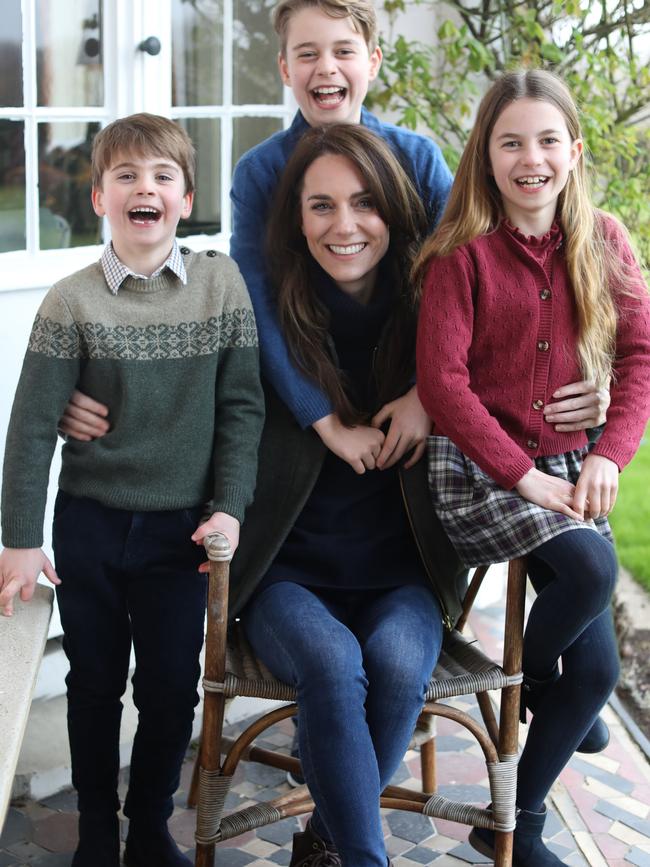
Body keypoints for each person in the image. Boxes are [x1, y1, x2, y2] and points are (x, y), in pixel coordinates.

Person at [58, 0, 608, 455]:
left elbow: (477, 280)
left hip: (408, 390)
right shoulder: (261, 172)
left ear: (372, 62)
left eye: (343, 51)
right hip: (304, 394)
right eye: (307, 54)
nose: (325, 67)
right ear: (284, 69)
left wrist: (427, 395)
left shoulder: (417, 158)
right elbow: (254, 306)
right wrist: (322, 418)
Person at [0, 113, 264, 867]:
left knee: (171, 688)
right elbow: (30, 427)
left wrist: (230, 504)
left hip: (182, 531)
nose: (143, 187)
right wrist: (20, 539)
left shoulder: (220, 285)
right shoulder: (69, 302)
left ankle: (149, 826)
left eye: (161, 177)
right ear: (99, 198)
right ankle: (93, 830)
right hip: (90, 524)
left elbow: (243, 409)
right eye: (126, 176)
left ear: (185, 199)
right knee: (92, 684)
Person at [414, 69, 650, 867]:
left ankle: (517, 822)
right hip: (480, 468)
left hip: (568, 464)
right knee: (588, 568)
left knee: (598, 673)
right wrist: (523, 474)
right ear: (486, 155)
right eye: (511, 141)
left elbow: (640, 353)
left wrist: (611, 452)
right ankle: (535, 673)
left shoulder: (606, 240)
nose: (531, 158)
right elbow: (443, 386)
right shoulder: (461, 258)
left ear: (574, 151)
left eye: (548, 140)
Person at [229, 122, 451, 867]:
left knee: (393, 665)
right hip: (287, 574)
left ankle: (327, 836)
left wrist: (602, 391)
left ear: (394, 208)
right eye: (320, 206)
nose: (344, 225)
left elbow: (532, 351)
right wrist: (86, 403)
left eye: (364, 203)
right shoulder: (266, 323)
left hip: (400, 570)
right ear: (296, 218)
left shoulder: (435, 319)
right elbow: (184, 392)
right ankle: (364, 856)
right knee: (331, 664)